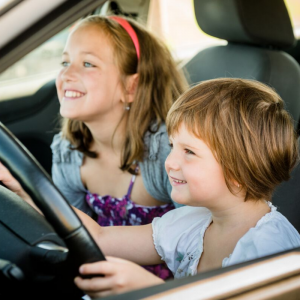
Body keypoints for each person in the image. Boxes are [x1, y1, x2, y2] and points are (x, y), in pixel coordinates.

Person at [1, 78, 300, 299]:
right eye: (172, 146)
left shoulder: (272, 249)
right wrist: (25, 188)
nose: (169, 162)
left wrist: (149, 290)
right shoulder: (193, 222)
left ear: (238, 171)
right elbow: (101, 238)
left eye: (189, 152)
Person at [50, 14, 188, 279]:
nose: (66, 74)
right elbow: (70, 235)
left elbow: (200, 237)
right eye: (65, 62)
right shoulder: (69, 153)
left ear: (131, 86)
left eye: (88, 63)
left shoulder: (166, 153)